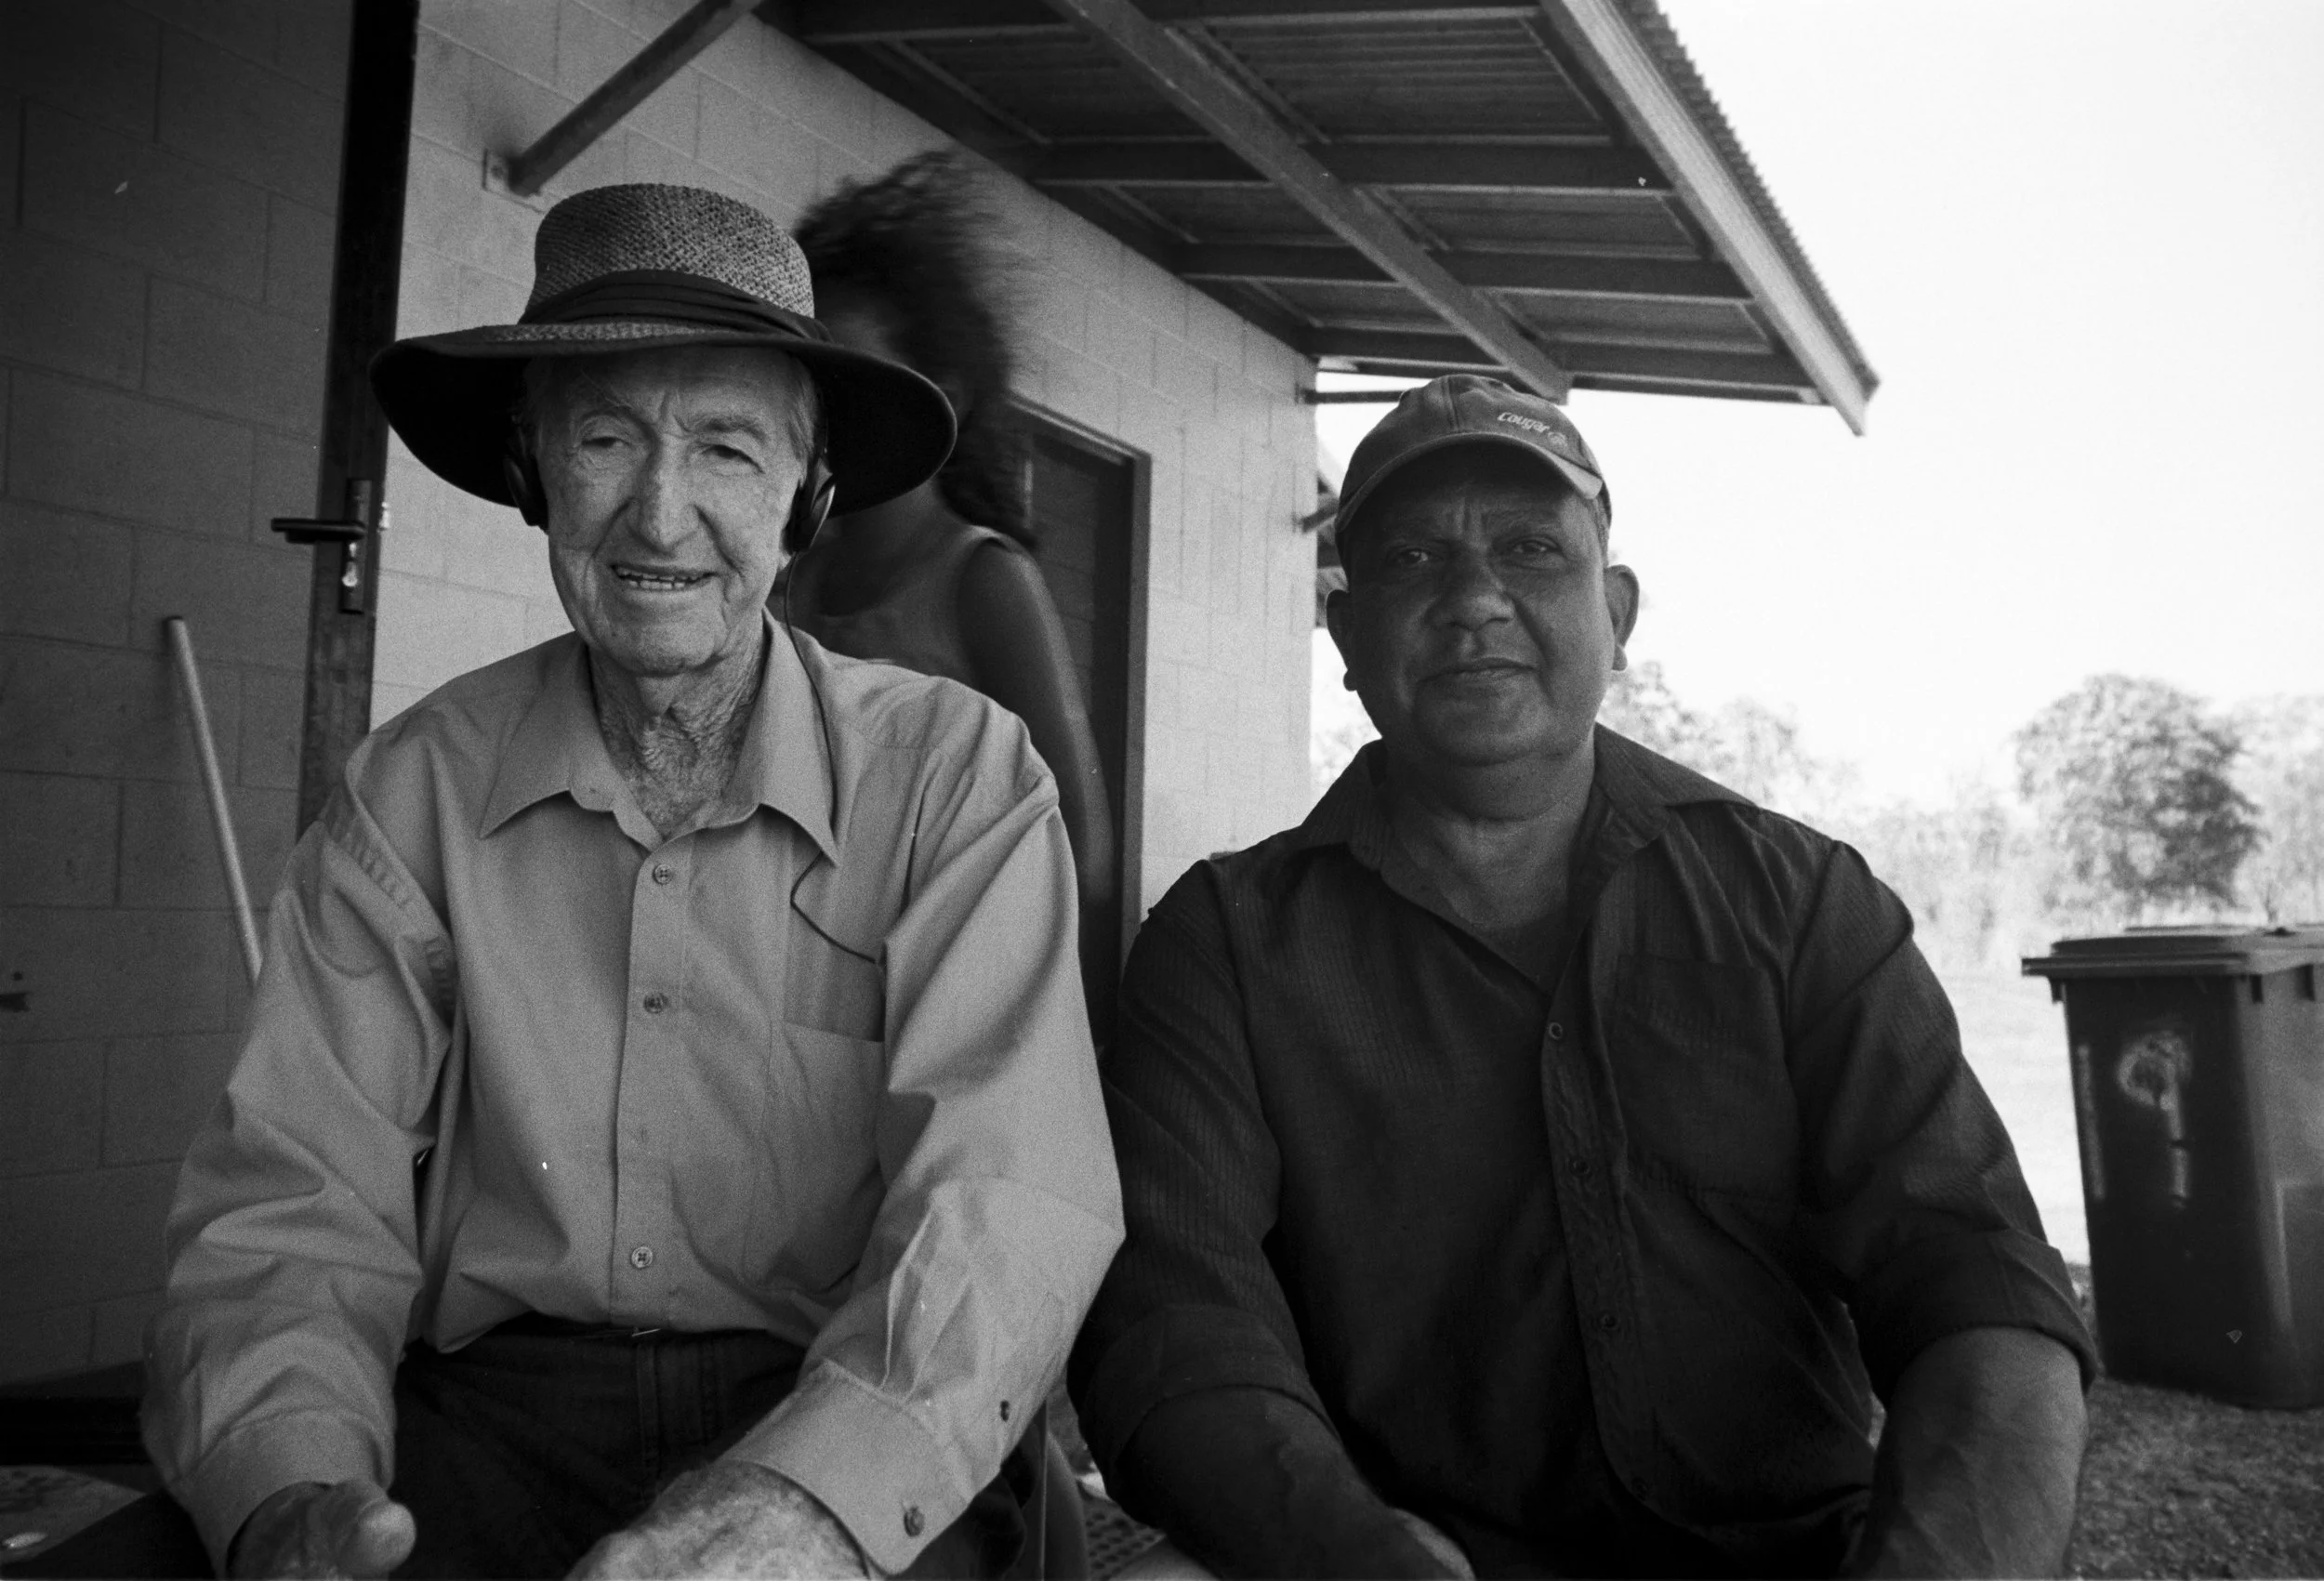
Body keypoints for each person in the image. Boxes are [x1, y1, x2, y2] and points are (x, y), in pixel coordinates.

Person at [143, 183, 1123, 1581]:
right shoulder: (409, 795)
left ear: (810, 496)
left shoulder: (955, 778)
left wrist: (808, 1510)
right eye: (606, 439)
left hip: (833, 1397)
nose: (660, 515)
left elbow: (1007, 1197)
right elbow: (295, 1193)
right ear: (535, 471)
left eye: (728, 447)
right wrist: (291, 1482)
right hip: (491, 1425)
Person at [1069, 375, 2095, 1578]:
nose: (1473, 600)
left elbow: (1976, 1277)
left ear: (1615, 611)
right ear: (1346, 638)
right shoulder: (1229, 942)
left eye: (1528, 549)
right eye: (1409, 559)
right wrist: (1346, 1547)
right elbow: (1176, 1311)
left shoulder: (1800, 903)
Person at [784, 152, 1120, 1031]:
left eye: (858, 374)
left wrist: (1052, 1035)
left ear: (950, 397)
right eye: (812, 378)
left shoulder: (984, 578)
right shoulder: (800, 580)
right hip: (817, 993)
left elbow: (1080, 840)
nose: (829, 407)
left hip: (953, 994)